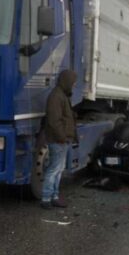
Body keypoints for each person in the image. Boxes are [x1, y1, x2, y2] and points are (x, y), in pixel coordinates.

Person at [40, 69, 78, 209]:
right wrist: (62, 137)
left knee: (59, 169)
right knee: (54, 169)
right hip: (58, 140)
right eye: (73, 82)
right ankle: (45, 198)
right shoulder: (56, 96)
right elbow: (54, 121)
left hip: (62, 139)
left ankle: (54, 196)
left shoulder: (61, 95)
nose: (74, 85)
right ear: (67, 81)